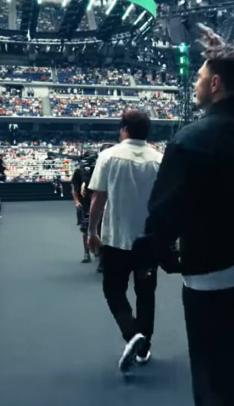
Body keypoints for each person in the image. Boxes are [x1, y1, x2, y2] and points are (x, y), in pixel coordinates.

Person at [133, 25, 234, 406]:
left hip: (214, 274)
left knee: (211, 366)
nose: (195, 84)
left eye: (199, 78)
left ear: (215, 84)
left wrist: (160, 258)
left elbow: (164, 215)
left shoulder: (190, 140)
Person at [87, 109, 162, 373]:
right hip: (148, 243)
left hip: (116, 240)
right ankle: (144, 346)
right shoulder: (159, 160)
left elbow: (98, 199)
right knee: (146, 294)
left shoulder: (108, 156)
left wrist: (91, 231)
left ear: (124, 129)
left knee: (113, 290)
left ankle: (132, 335)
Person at [71, 153, 96, 263]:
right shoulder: (78, 171)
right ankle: (86, 253)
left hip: (98, 202)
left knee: (100, 229)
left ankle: (99, 254)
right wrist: (76, 201)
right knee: (85, 229)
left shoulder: (99, 169)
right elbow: (75, 188)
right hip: (84, 203)